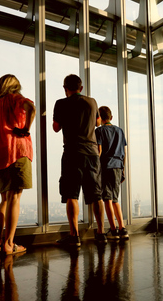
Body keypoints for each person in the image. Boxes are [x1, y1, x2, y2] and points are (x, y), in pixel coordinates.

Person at [0, 74, 35, 255]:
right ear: (14, 86)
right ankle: (10, 244)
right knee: (15, 197)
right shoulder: (15, 98)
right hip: (16, 151)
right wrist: (25, 129)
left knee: (4, 199)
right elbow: (31, 108)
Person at [53, 74, 106, 246]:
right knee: (96, 195)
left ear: (65, 88)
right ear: (81, 88)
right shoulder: (92, 102)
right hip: (91, 153)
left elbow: (55, 128)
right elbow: (98, 122)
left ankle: (74, 236)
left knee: (71, 194)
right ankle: (101, 233)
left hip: (72, 152)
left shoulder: (61, 103)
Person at [95, 106, 129, 240]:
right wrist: (123, 170)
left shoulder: (99, 131)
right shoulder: (120, 131)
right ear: (111, 117)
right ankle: (122, 228)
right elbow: (124, 152)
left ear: (99, 118)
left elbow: (99, 151)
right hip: (118, 167)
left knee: (107, 199)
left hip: (106, 167)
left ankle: (113, 230)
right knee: (115, 199)